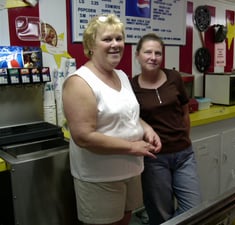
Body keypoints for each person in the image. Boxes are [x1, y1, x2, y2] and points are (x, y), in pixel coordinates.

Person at [62, 15, 161, 225]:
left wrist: (147, 128)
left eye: (119, 38)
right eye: (107, 39)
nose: (115, 44)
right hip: (100, 177)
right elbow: (84, 137)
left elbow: (128, 114)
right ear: (90, 45)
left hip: (130, 170)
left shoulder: (122, 76)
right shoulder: (80, 82)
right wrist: (132, 147)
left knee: (125, 220)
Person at [131, 33, 202, 225]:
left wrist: (184, 139)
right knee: (161, 213)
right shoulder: (131, 86)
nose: (153, 57)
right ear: (137, 55)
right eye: (148, 52)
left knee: (194, 207)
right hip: (155, 159)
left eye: (158, 53)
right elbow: (132, 119)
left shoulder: (174, 77)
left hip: (184, 154)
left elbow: (185, 111)